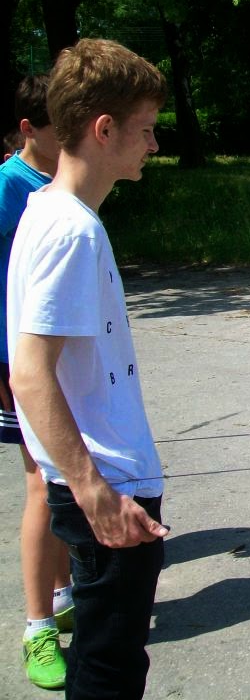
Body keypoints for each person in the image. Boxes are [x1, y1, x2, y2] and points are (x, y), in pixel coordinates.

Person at [8, 38, 170, 698]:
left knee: (109, 661)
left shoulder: (49, 210)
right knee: (109, 670)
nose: (153, 146)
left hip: (104, 478)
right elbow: (29, 371)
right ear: (104, 130)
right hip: (109, 484)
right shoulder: (70, 228)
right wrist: (92, 487)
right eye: (146, 130)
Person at [1, 74, 73, 690]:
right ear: (30, 129)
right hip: (17, 364)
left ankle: (62, 589)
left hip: (56, 364)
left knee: (57, 481)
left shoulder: (56, 185)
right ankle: (36, 627)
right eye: (58, 125)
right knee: (40, 485)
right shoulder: (9, 185)